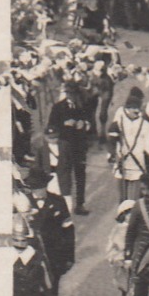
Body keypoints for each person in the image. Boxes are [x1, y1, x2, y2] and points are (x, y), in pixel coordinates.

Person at [49, 76, 97, 214]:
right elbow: (51, 128)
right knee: (64, 176)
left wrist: (85, 124)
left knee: (80, 176)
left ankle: (80, 204)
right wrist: (64, 124)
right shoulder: (57, 108)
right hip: (64, 147)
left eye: (73, 93)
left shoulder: (83, 106)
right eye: (68, 93)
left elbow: (90, 124)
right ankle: (63, 205)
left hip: (79, 147)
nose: (71, 96)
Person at [108, 86, 149, 202]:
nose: (136, 111)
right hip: (122, 165)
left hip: (138, 167)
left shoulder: (145, 124)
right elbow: (112, 140)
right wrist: (112, 156)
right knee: (122, 199)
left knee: (134, 200)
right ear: (127, 108)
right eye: (133, 108)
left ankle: (132, 217)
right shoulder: (119, 122)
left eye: (137, 108)